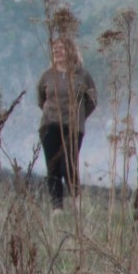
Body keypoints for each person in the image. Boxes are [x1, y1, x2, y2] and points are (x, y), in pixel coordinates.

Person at [37, 37, 97, 209]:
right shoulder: (46, 76)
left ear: (71, 51)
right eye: (54, 48)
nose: (57, 51)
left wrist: (79, 116)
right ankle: (57, 209)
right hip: (49, 126)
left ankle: (77, 202)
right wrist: (52, 114)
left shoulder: (83, 75)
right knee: (53, 167)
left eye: (61, 47)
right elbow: (41, 99)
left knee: (68, 165)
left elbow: (92, 101)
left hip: (73, 127)